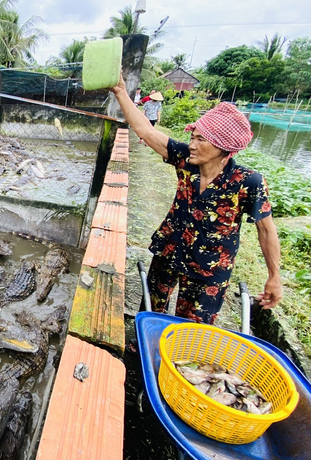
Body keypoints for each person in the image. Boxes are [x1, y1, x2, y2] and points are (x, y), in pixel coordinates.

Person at [111, 76, 282, 324]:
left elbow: (266, 230)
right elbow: (146, 131)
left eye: (201, 140)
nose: (192, 144)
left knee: (193, 330)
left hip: (209, 268)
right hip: (170, 250)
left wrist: (274, 276)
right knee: (151, 313)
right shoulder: (186, 161)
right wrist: (120, 91)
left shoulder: (248, 182)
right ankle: (142, 349)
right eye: (193, 137)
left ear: (224, 148)